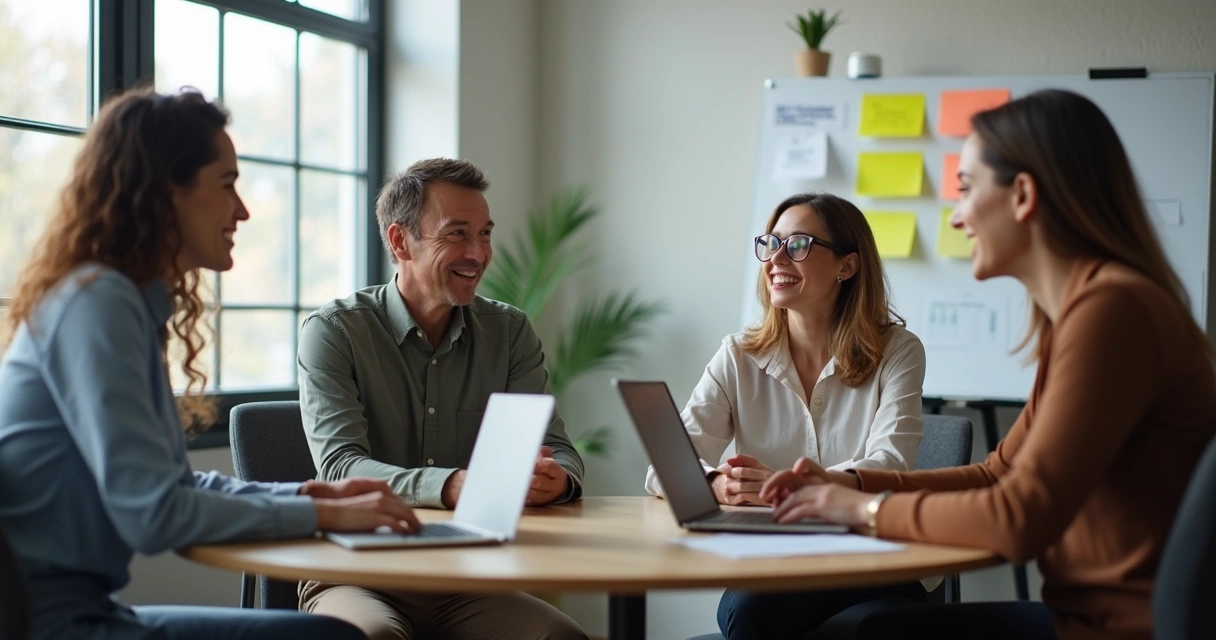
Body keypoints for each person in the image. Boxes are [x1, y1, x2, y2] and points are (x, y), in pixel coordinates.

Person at [761, 89, 1216, 640]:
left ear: (1022, 195)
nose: (956, 218)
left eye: (966, 189)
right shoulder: (1091, 309)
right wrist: (853, 482)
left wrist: (863, 511)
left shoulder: (1114, 311)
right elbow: (995, 474)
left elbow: (1020, 517)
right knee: (862, 629)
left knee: (860, 633)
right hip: (1082, 619)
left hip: (1116, 629)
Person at [0, 87, 423, 640]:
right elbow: (155, 515)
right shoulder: (99, 304)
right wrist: (321, 516)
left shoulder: (115, 301)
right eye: (227, 185)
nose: (242, 210)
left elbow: (172, 485)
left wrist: (305, 495)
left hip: (83, 611)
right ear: (166, 192)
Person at [296, 158, 588, 640]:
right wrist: (450, 485)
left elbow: (557, 448)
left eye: (485, 234)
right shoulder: (334, 332)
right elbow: (340, 467)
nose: (479, 253)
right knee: (374, 637)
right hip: (358, 573)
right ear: (400, 242)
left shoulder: (509, 331)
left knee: (560, 637)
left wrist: (556, 481)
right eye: (457, 234)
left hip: (466, 578)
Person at [643, 192, 932, 639]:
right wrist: (718, 484)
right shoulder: (737, 356)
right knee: (750, 611)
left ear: (847, 265)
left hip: (873, 564)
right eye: (771, 243)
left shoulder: (898, 351)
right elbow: (664, 466)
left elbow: (890, 463)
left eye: (797, 245)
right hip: (775, 565)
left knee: (864, 630)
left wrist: (795, 488)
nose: (775, 258)